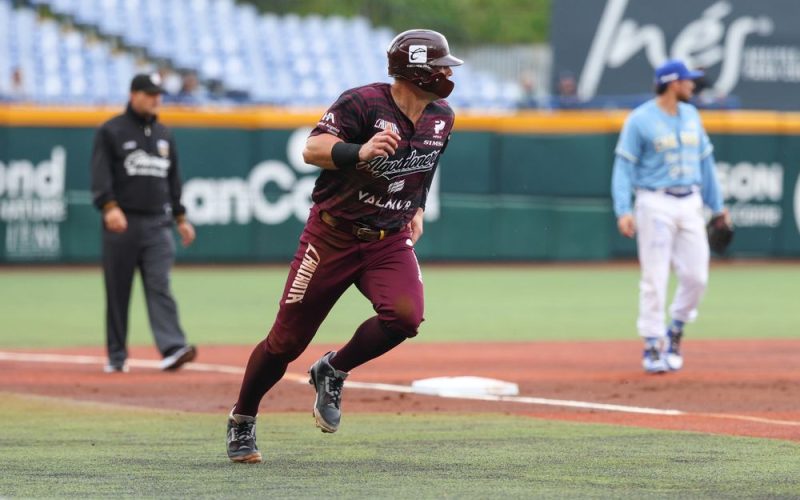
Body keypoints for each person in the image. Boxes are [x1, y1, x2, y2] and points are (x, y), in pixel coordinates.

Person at [225, 29, 463, 464]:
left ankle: (333, 369)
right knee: (284, 343)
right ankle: (243, 417)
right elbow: (311, 148)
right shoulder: (362, 102)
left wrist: (418, 206)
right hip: (332, 235)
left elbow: (426, 167)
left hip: (387, 238)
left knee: (406, 316)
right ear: (414, 71)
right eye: (439, 66)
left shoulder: (441, 116)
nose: (447, 73)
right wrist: (360, 150)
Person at [611, 60, 730, 374]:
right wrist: (623, 209)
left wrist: (717, 208)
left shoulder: (691, 115)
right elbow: (623, 168)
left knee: (697, 276)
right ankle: (651, 343)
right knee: (655, 277)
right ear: (672, 83)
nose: (693, 85)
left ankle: (675, 328)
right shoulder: (640, 119)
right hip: (654, 201)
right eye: (688, 80)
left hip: (690, 201)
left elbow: (706, 164)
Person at [90, 73, 198, 373]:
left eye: (158, 93)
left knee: (159, 284)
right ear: (133, 94)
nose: (155, 98)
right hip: (122, 223)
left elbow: (173, 178)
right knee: (118, 290)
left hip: (158, 223)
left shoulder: (164, 133)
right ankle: (116, 356)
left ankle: (173, 348)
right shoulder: (111, 130)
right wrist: (108, 206)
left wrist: (180, 217)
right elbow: (100, 174)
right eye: (149, 93)